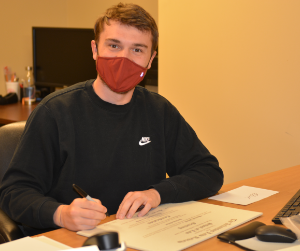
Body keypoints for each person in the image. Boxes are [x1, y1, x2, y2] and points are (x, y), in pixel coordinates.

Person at [0, 3, 223, 236]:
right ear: (95, 49)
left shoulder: (158, 110)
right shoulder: (54, 112)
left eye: (137, 50)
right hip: (69, 238)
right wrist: (62, 214)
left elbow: (208, 172)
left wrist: (156, 194)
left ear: (151, 58)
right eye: (114, 45)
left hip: (142, 234)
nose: (123, 59)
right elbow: (14, 192)